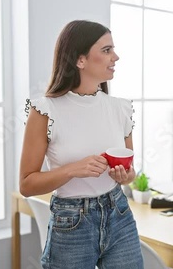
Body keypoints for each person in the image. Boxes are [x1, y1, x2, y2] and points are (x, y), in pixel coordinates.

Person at [19, 20, 143, 269]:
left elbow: (130, 174)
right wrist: (72, 169)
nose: (115, 57)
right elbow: (27, 184)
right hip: (71, 222)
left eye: (113, 49)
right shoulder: (44, 110)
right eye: (106, 50)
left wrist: (125, 176)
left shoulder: (120, 108)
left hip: (118, 212)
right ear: (80, 60)